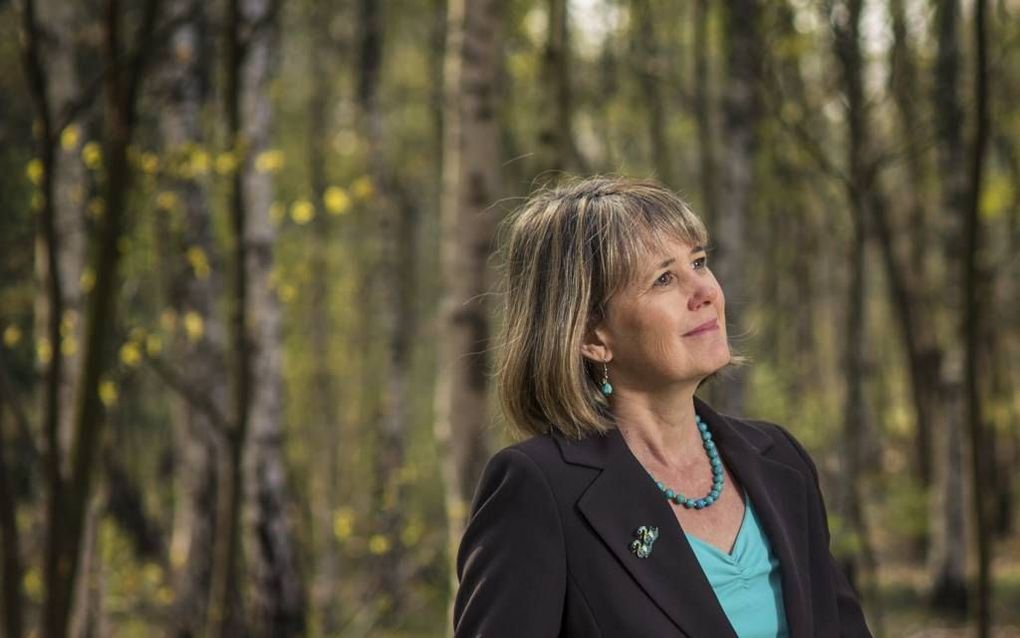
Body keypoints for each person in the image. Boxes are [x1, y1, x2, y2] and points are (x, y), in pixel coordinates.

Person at [452, 177, 872, 637]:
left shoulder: (779, 460)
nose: (705, 292)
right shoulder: (540, 490)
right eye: (664, 278)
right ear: (592, 336)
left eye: (699, 262)